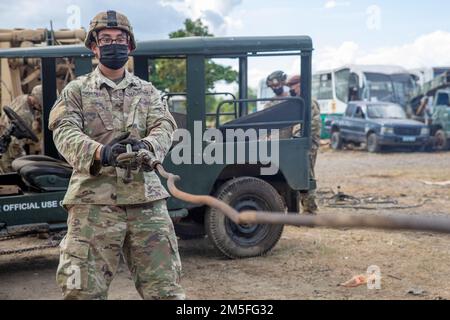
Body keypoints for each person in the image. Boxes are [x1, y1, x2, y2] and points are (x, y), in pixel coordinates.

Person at [49, 10, 184, 300]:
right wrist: (103, 152)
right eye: (106, 39)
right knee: (82, 292)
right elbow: (63, 131)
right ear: (94, 47)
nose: (114, 44)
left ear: (130, 45)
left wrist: (148, 147)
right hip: (92, 205)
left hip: (146, 202)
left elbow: (165, 126)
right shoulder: (76, 91)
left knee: (166, 291)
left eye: (120, 39)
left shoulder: (148, 92)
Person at [287, 75, 321, 215]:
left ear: (300, 85)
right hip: (298, 142)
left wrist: (297, 138)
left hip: (308, 143)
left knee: (307, 174)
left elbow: (313, 125)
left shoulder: (310, 103)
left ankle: (310, 210)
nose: (291, 89)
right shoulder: (299, 102)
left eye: (293, 86)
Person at [0, 85, 43, 173]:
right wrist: (23, 159)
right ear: (39, 100)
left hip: (5, 138)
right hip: (9, 149)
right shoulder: (25, 114)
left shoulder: (23, 98)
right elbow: (15, 145)